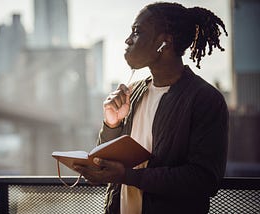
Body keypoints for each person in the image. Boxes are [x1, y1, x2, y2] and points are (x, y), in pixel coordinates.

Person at [73, 2, 229, 214]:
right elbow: (105, 163)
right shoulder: (133, 93)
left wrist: (127, 176)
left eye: (137, 32)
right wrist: (112, 123)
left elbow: (204, 180)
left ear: (164, 42)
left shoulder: (205, 99)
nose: (128, 40)